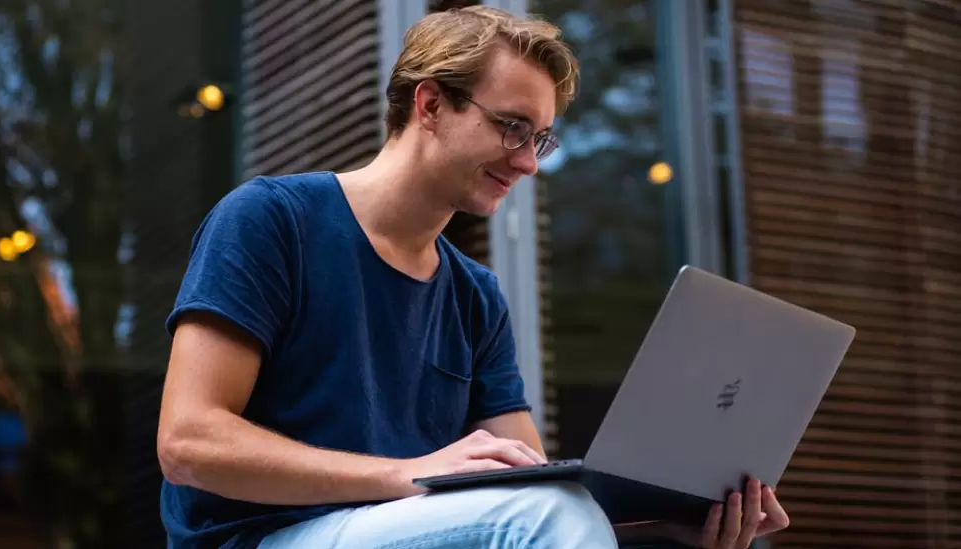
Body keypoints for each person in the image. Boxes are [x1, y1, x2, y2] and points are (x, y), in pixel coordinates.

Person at [156, 6, 790, 549]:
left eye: (540, 140)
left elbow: (529, 495)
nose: (527, 163)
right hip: (261, 537)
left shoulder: (475, 295)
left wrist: (666, 528)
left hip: (398, 528)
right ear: (430, 104)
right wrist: (408, 474)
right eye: (512, 127)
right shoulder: (271, 221)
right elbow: (187, 443)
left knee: (554, 503)